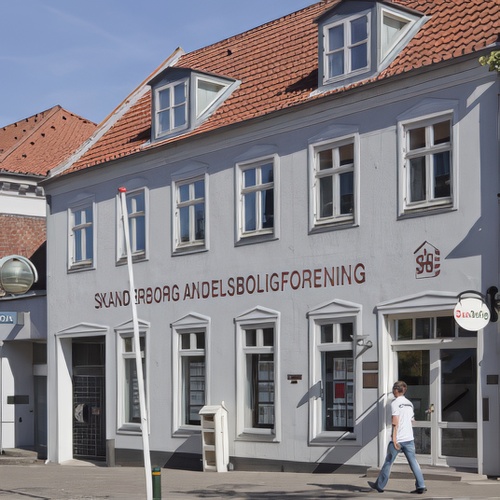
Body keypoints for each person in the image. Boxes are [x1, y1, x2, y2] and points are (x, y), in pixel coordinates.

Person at [368, 381, 427, 494]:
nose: (392, 391)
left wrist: (394, 439)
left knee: (388, 462)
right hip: (409, 439)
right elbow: (412, 420)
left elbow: (395, 422)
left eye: (393, 389)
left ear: (396, 390)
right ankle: (421, 485)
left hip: (398, 439)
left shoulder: (395, 403)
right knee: (414, 462)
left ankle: (379, 485)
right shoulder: (409, 403)